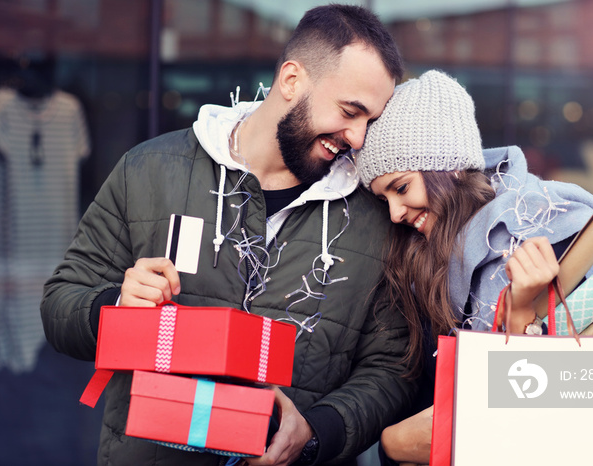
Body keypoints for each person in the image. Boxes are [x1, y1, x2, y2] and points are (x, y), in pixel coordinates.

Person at [41, 5, 416, 466]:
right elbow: (60, 303)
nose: (357, 138)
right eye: (349, 111)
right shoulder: (149, 170)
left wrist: (317, 434)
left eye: (369, 121)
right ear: (292, 80)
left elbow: (391, 369)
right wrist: (115, 306)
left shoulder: (377, 214)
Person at [354, 70, 593, 466]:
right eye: (382, 198)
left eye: (401, 187)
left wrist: (522, 314)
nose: (394, 213)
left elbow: (572, 404)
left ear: (449, 166)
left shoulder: (547, 230)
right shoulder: (429, 255)